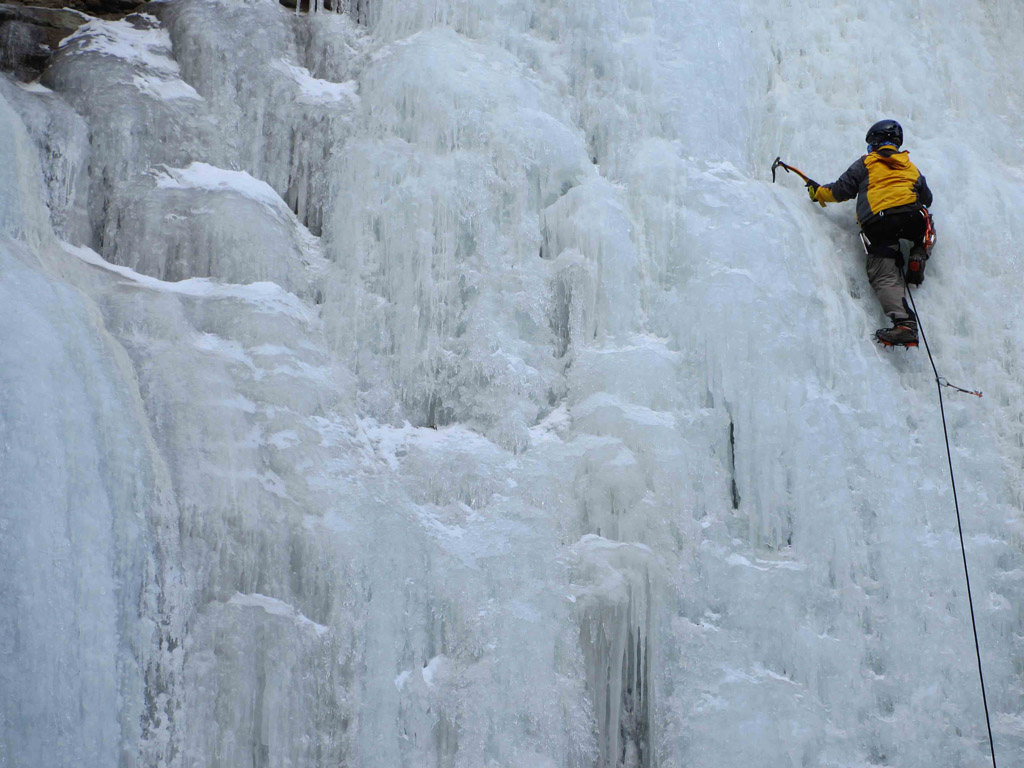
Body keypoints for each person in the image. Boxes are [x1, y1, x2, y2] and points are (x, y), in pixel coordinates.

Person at [808, 119, 933, 346]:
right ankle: (918, 254)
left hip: (879, 222)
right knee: (926, 225)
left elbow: (839, 190)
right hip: (911, 215)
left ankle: (905, 324)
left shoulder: (866, 162)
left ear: (874, 143)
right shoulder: (911, 167)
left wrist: (817, 193)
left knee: (884, 274)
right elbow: (928, 199)